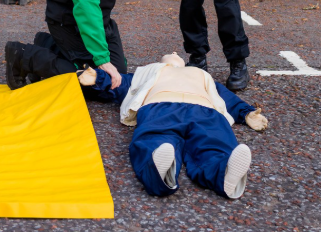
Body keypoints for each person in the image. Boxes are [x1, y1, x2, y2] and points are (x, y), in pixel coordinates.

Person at [78, 52, 268, 199]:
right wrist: (97, 78)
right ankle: (159, 168)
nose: (175, 52)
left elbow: (225, 96)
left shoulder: (202, 74)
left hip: (196, 109)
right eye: (171, 53)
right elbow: (120, 82)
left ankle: (224, 171)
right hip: (167, 107)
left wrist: (247, 112)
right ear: (161, 61)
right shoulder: (149, 71)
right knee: (157, 139)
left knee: (214, 141)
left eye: (178, 53)